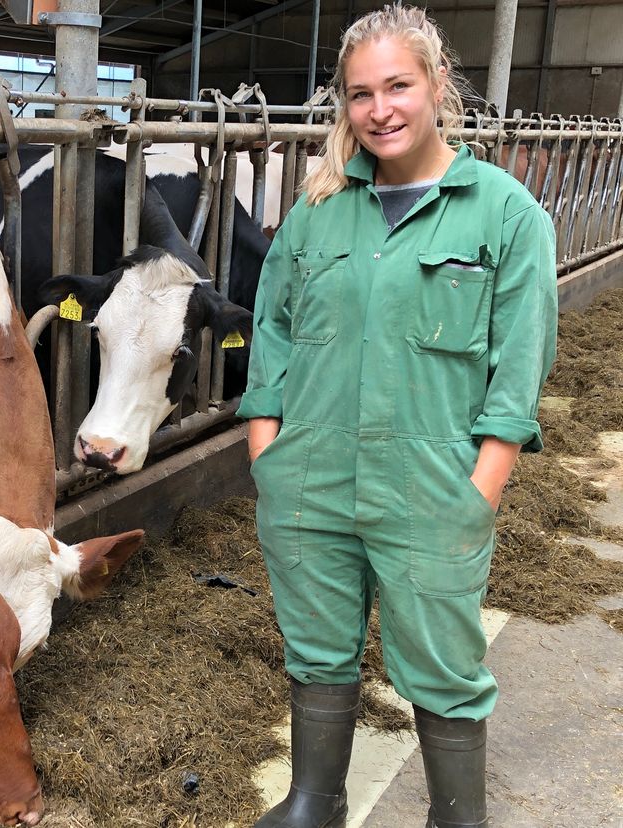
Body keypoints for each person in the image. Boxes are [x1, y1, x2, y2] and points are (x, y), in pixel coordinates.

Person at [240, 6, 558, 828]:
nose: (380, 109)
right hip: (309, 475)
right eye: (359, 94)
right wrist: (265, 442)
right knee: (316, 643)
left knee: (444, 662)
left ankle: (458, 818)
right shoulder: (319, 208)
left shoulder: (505, 212)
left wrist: (481, 485)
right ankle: (315, 801)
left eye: (397, 86)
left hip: (433, 482)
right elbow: (271, 326)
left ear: (438, 84)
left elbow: (519, 364)